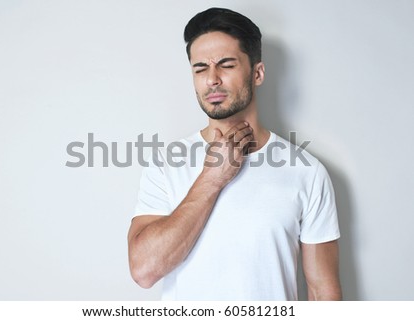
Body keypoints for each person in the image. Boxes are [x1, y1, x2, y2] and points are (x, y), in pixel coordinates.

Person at [128, 7, 342, 300]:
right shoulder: (165, 165)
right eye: (200, 68)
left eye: (226, 65)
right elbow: (143, 270)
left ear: (257, 73)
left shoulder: (307, 171)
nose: (212, 79)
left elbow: (322, 293)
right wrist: (213, 178)